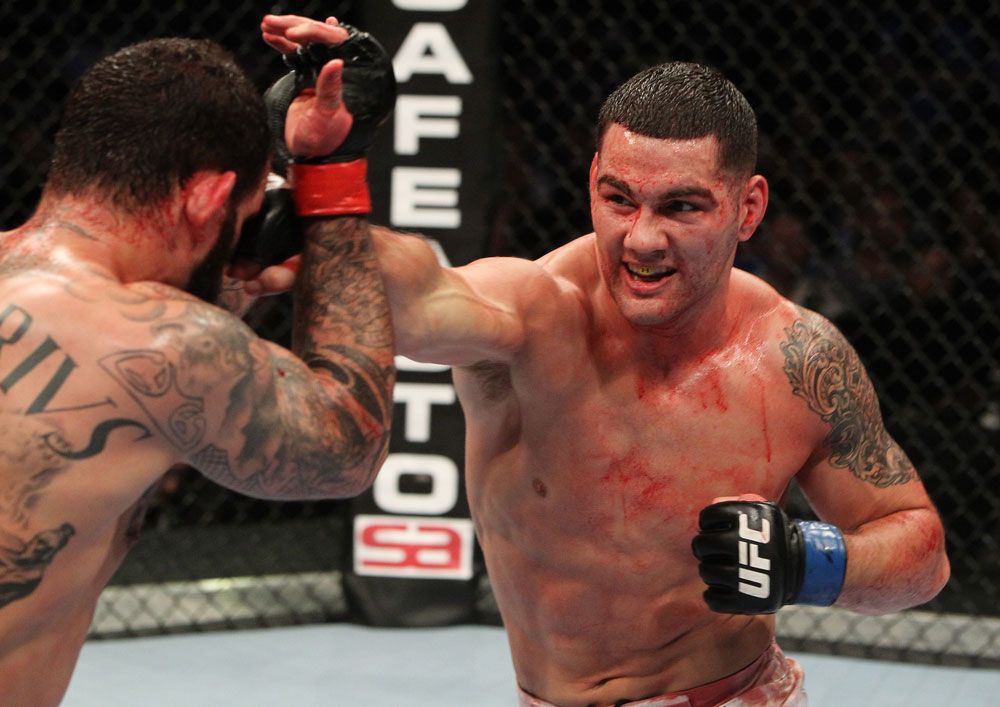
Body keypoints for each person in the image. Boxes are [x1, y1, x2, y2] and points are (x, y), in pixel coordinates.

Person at [271, 18, 949, 707]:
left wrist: (806, 563)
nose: (642, 239)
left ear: (748, 209)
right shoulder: (533, 316)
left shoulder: (796, 358)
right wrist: (326, 174)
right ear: (592, 180)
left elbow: (921, 554)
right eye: (619, 199)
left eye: (681, 207)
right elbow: (414, 294)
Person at [0, 28, 394, 705]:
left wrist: (236, 247)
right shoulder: (166, 343)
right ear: (207, 199)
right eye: (241, 219)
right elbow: (347, 444)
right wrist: (331, 179)